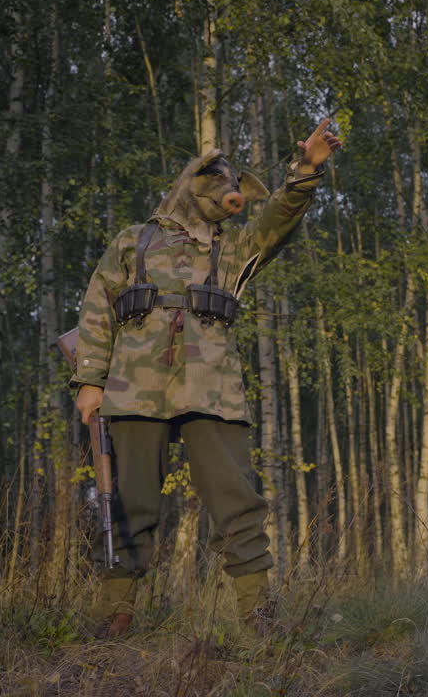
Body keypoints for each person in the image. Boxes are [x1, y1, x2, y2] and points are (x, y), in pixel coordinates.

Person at [70, 118, 342, 637]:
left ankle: (258, 618)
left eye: (233, 186)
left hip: (211, 388)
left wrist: (305, 171)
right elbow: (97, 307)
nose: (228, 194)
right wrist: (90, 381)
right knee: (131, 502)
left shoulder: (234, 250)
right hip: (133, 388)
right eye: (216, 182)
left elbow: (279, 219)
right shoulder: (134, 240)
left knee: (236, 501)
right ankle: (115, 616)